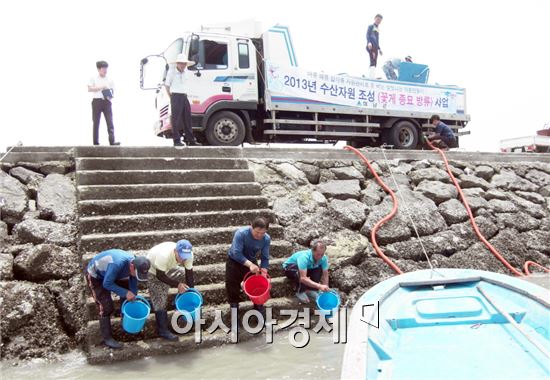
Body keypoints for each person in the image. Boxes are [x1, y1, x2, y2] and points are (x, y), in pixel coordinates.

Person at [86, 249, 151, 349]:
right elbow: (107, 283)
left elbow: (133, 280)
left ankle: (124, 319)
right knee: (106, 307)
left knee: (129, 297)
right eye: (138, 274)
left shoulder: (136, 264)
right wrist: (125, 292)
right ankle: (107, 338)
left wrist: (133, 295)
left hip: (117, 273)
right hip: (97, 275)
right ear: (132, 266)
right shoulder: (117, 264)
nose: (138, 277)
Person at [146, 240, 195, 341]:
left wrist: (191, 293)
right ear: (175, 251)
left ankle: (178, 304)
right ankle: (163, 330)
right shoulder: (163, 255)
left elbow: (189, 274)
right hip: (153, 270)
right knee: (160, 298)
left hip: (169, 267)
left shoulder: (188, 255)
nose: (183, 259)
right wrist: (178, 285)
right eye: (181, 256)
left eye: (185, 256)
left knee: (182, 275)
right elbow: (160, 276)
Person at [225, 217, 271, 315]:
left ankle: (258, 309)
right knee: (232, 288)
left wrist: (264, 272)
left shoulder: (266, 238)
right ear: (251, 227)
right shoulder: (241, 233)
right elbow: (236, 253)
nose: (259, 235)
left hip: (251, 261)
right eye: (257, 232)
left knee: (257, 286)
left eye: (262, 233)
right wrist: (250, 264)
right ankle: (234, 314)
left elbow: (265, 257)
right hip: (234, 262)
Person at [165, 54, 201, 147]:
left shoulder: (186, 72)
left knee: (187, 118)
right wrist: (171, 97)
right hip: (175, 96)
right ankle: (176, 141)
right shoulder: (171, 72)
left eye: (184, 63)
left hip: (184, 96)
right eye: (181, 63)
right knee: (175, 119)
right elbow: (167, 85)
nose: (183, 65)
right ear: (177, 63)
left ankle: (190, 140)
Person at [88, 61, 120, 146]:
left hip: (107, 102)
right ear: (99, 69)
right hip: (97, 101)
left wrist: (110, 96)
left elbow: (113, 91)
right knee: (96, 122)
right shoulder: (93, 78)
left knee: (110, 122)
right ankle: (96, 143)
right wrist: (102, 87)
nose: (105, 70)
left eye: (106, 68)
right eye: (103, 68)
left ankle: (112, 141)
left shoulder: (110, 79)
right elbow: (90, 89)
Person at [366, 14, 383, 79]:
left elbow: (377, 39)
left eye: (380, 20)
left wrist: (379, 49)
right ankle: (371, 77)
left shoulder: (377, 28)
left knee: (375, 61)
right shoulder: (371, 26)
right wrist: (369, 42)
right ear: (375, 18)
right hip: (371, 46)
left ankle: (372, 75)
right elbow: (367, 35)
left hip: (376, 47)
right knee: (372, 60)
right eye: (378, 19)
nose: (379, 21)